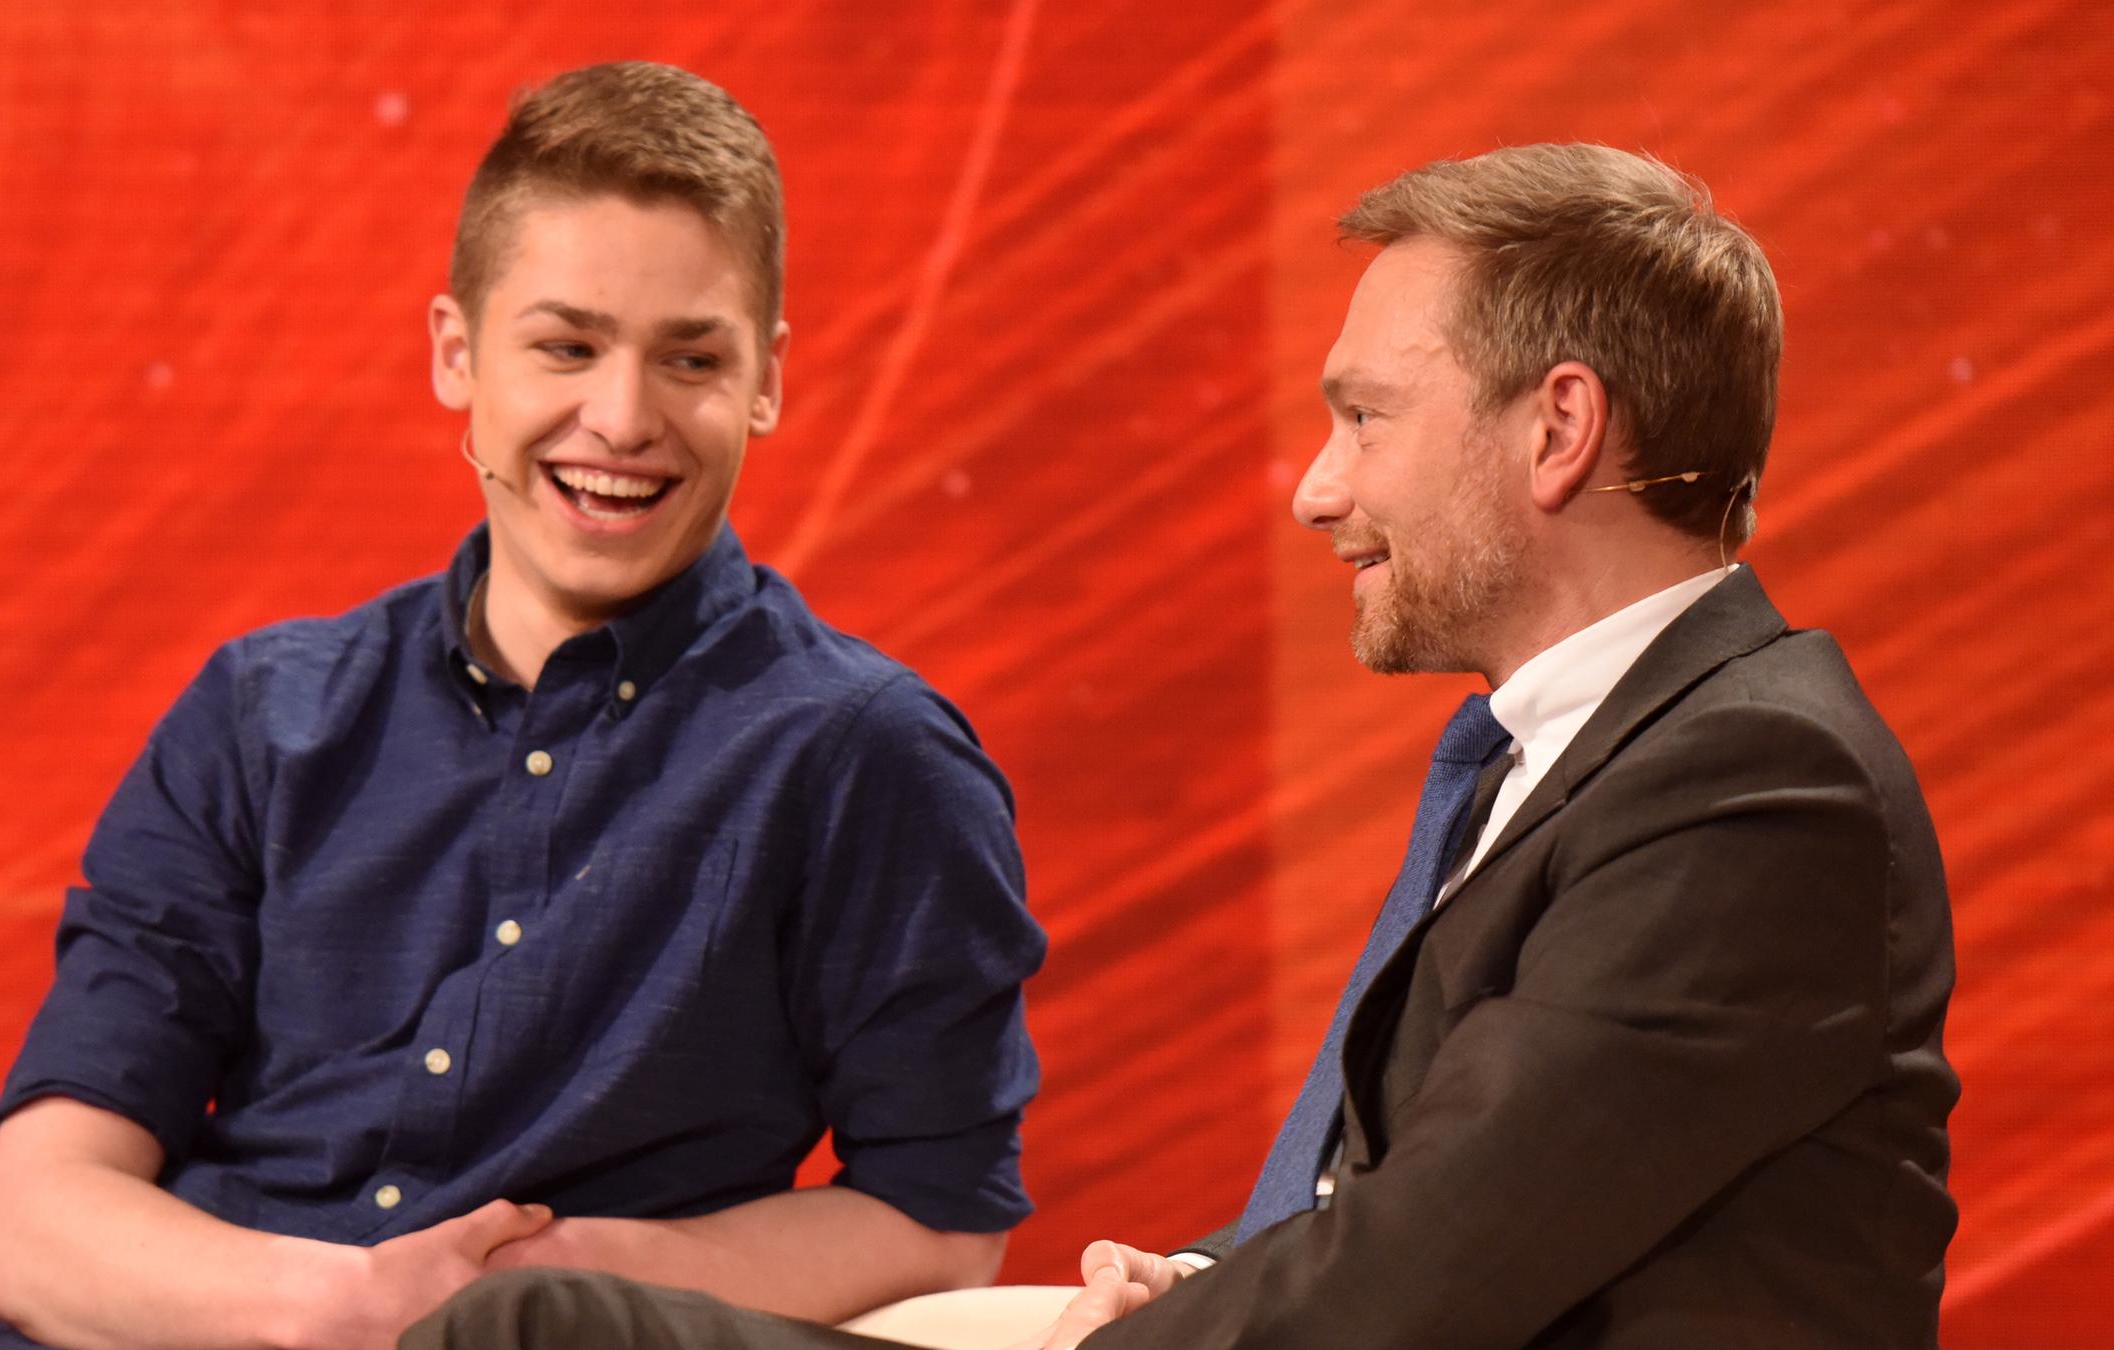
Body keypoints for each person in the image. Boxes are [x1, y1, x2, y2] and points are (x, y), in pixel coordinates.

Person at [403, 143, 1959, 1349]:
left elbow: (1418, 1272)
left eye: (1366, 418)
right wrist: (1200, 1276)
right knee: (542, 1325)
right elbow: (1411, 1207)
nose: (1318, 489)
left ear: (1558, 430)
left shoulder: (1755, 787)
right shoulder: (1599, 751)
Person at [0, 62, 1047, 1350]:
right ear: (456, 353)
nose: (623, 417)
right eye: (567, 346)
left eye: (690, 358)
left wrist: (590, 1292)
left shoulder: (865, 756)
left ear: (765, 380)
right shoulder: (257, 716)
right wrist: (354, 1308)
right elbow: (35, 1212)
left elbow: (940, 1214)